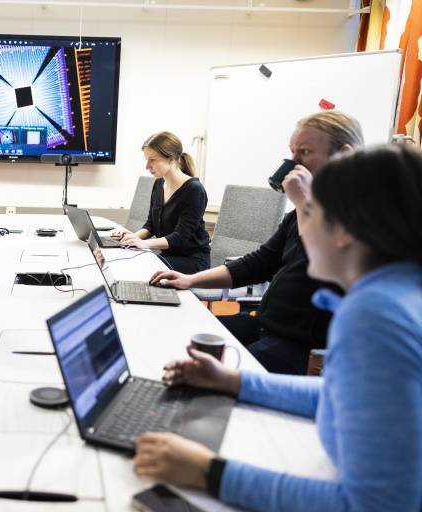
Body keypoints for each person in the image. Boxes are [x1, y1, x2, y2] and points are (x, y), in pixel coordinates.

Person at [134, 144, 422, 511]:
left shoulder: (375, 315)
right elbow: (337, 396)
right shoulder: (396, 293)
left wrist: (208, 471)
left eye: (310, 211)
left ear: (344, 232)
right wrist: (233, 381)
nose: (301, 224)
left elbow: (375, 505)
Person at [150, 111, 364, 374]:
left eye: (305, 153)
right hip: (264, 326)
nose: (293, 163)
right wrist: (190, 280)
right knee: (176, 337)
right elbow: (260, 262)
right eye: (292, 152)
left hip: (301, 347)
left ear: (343, 156)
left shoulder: (362, 218)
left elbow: (327, 267)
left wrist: (304, 204)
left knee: (204, 374)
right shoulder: (298, 215)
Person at [112, 131, 211, 274]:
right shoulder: (159, 184)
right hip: (168, 257)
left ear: (171, 158)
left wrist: (144, 243)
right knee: (126, 259)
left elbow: (180, 238)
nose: (147, 166)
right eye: (147, 160)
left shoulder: (194, 190)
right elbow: (151, 225)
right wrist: (132, 237)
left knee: (138, 266)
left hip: (192, 261)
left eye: (152, 160)